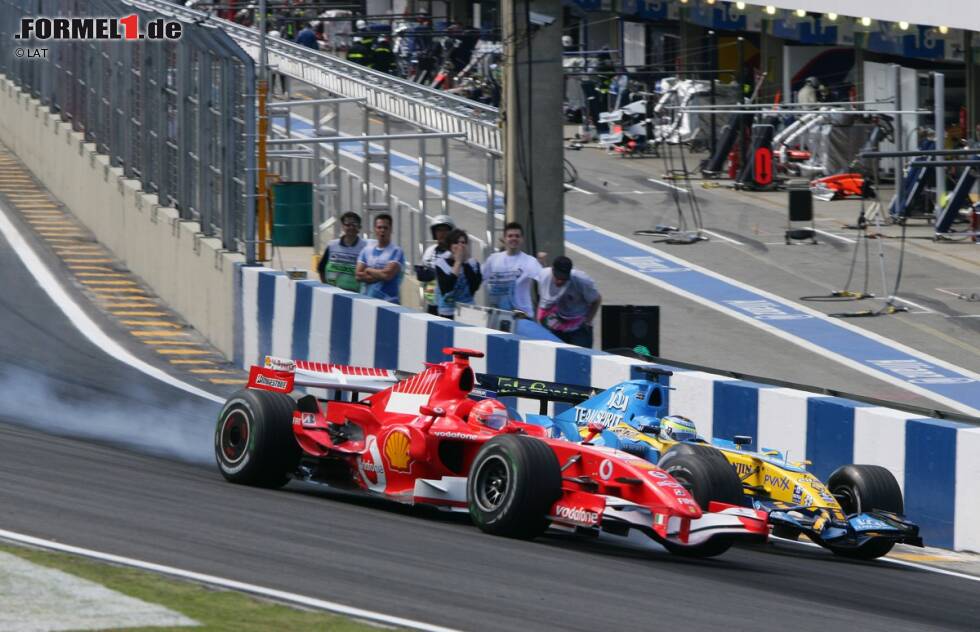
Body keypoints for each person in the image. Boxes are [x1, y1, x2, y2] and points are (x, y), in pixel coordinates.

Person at [536, 256, 601, 347]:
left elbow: (597, 300)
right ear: (552, 271)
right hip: (557, 322)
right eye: (557, 278)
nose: (559, 281)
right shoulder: (544, 276)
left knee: (581, 357)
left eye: (563, 279)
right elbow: (542, 306)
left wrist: (587, 321)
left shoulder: (582, 281)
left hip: (579, 325)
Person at [482, 221, 541, 317]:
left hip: (522, 316)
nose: (514, 238)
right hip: (497, 315)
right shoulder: (493, 259)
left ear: (522, 239)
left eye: (517, 236)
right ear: (504, 239)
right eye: (510, 236)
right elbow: (478, 278)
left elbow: (544, 279)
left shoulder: (530, 261)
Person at [356, 214, 405, 303]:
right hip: (368, 301)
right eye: (379, 227)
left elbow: (387, 275)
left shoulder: (396, 251)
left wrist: (369, 270)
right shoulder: (366, 250)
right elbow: (358, 275)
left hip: (389, 302)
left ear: (391, 230)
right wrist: (380, 274)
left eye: (385, 228)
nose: (382, 230)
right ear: (375, 229)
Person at [434, 228, 482, 319]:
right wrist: (458, 262)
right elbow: (447, 288)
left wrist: (465, 262)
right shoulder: (441, 263)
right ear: (450, 246)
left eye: (463, 243)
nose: (460, 246)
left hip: (468, 309)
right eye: (456, 242)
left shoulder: (473, 263)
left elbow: (474, 287)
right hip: (448, 311)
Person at [317, 211, 366, 291]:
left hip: (356, 295)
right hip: (333, 293)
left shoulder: (365, 248)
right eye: (347, 225)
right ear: (343, 227)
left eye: (354, 224)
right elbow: (321, 268)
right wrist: (326, 288)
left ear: (359, 227)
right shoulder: (332, 245)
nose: (351, 227)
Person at [416, 215, 455, 315]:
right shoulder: (430, 251)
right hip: (432, 303)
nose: (442, 234)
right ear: (434, 233)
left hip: (449, 306)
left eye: (445, 230)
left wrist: (434, 273)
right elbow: (421, 273)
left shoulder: (454, 253)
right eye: (439, 230)